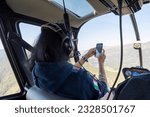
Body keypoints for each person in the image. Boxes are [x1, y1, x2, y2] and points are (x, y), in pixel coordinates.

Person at [30, 23, 108, 99]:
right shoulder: (80, 80)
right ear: (67, 45)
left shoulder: (37, 71)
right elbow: (103, 88)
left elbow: (68, 73)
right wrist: (101, 63)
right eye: (72, 41)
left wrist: (86, 56)